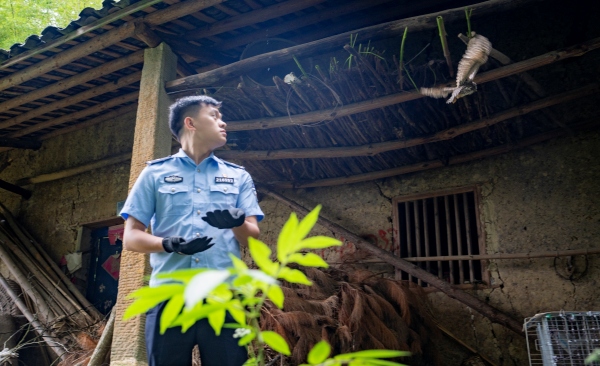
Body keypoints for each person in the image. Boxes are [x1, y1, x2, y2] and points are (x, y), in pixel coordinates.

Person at [120, 95, 264, 366]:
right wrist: (168, 244)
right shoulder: (153, 174)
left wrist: (235, 223)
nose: (223, 123)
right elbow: (130, 237)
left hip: (222, 296)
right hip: (169, 296)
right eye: (214, 115)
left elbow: (252, 238)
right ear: (190, 122)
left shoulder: (238, 176)